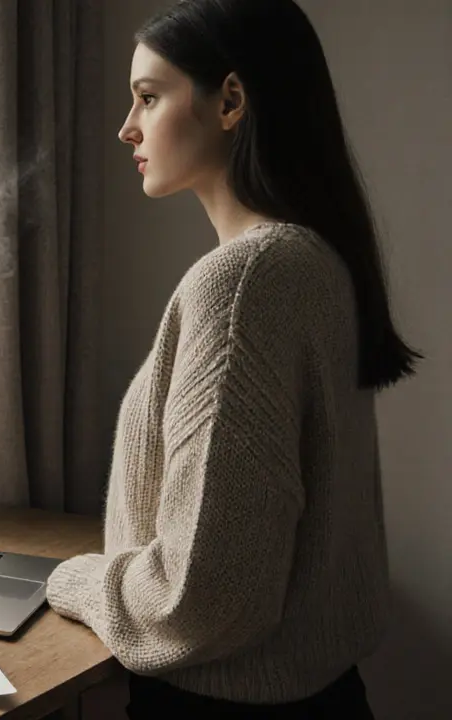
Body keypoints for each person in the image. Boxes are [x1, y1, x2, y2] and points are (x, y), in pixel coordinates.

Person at [43, 0, 419, 717]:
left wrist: (77, 583)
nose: (127, 127)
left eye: (148, 98)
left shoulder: (245, 283)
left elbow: (206, 600)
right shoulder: (312, 262)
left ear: (231, 100)